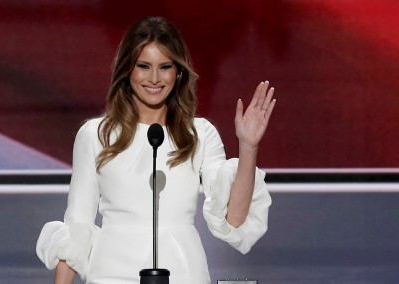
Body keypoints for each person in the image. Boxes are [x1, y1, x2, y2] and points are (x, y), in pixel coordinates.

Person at [36, 16, 275, 284]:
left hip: (183, 273)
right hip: (111, 274)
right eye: (143, 66)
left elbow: (234, 218)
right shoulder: (96, 135)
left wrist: (248, 146)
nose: (154, 78)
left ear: (178, 72)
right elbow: (77, 227)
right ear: (128, 70)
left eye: (165, 67)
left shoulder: (199, 134)